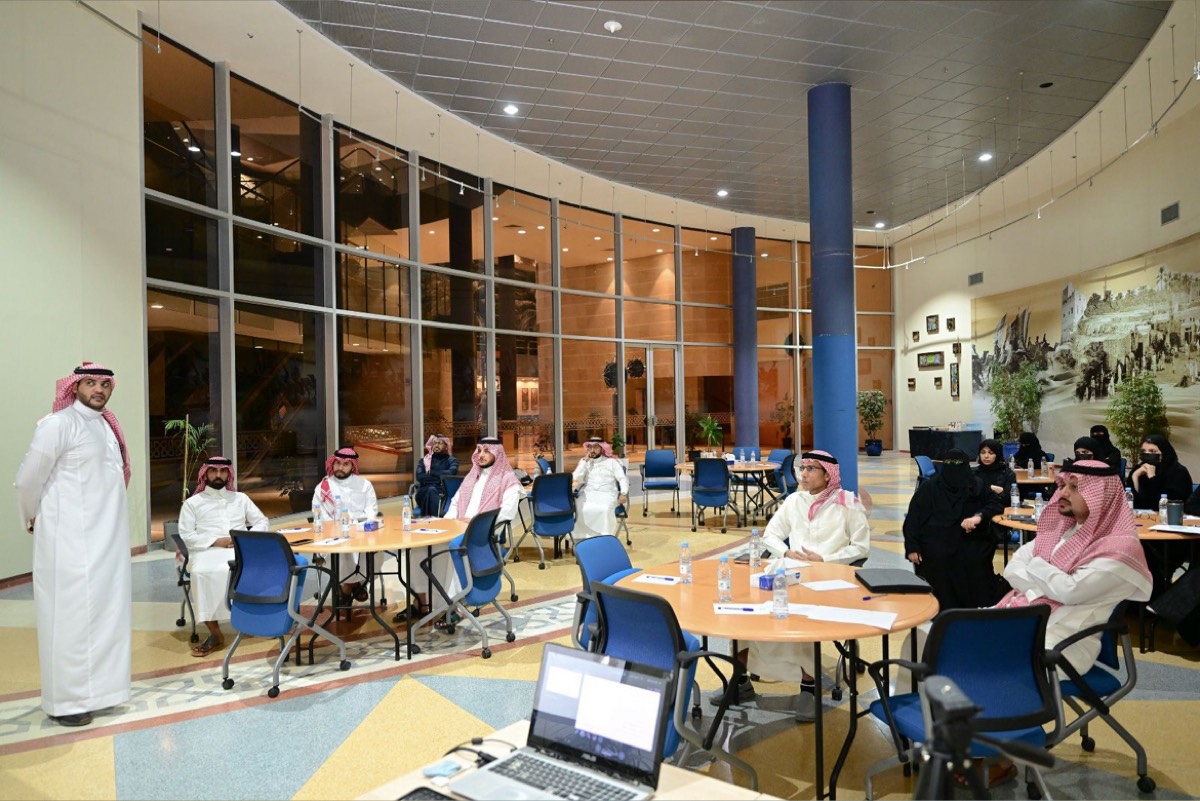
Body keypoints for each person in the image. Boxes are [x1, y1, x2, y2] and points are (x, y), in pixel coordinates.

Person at [15, 363, 133, 728]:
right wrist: (31, 516)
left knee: (106, 618)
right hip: (68, 542)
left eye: (104, 384)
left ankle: (102, 694)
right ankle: (66, 702)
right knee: (69, 622)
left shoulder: (106, 426)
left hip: (107, 543)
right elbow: (28, 479)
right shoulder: (58, 425)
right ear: (75, 386)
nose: (98, 389)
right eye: (90, 383)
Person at [735, 451, 870, 722]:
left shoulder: (847, 502)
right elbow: (771, 535)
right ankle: (740, 681)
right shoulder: (794, 501)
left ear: (828, 474)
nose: (804, 474)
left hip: (832, 576)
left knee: (804, 615)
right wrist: (786, 553)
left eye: (811, 469)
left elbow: (861, 547)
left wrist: (825, 560)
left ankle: (809, 687)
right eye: (802, 468)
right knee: (747, 610)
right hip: (793, 572)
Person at [999, 459, 1152, 674]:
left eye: (1075, 487)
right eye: (1062, 485)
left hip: (1062, 645)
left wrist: (1035, 564)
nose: (1062, 493)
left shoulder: (1119, 548)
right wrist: (1047, 585)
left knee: (973, 661)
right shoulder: (1064, 529)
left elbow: (1069, 592)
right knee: (957, 642)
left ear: (1101, 496)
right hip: (1028, 624)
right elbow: (1012, 569)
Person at [394, 436, 521, 623]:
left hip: (481, 536)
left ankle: (455, 607)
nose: (481, 455)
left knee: (453, 548)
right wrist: (445, 525)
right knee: (420, 549)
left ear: (498, 454)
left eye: (487, 451)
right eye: (479, 450)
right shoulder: (472, 476)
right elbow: (455, 503)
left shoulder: (509, 480)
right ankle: (421, 602)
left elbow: (506, 513)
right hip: (457, 528)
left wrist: (475, 523)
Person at [178, 456, 268, 657]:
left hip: (239, 547)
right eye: (213, 471)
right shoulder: (193, 503)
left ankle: (255, 621)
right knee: (202, 573)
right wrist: (216, 541)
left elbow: (262, 521)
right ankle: (215, 633)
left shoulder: (241, 499)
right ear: (205, 474)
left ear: (229, 474)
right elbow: (186, 535)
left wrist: (244, 538)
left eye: (222, 471)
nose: (218, 475)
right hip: (207, 550)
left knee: (260, 567)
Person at [904, 448, 1006, 611]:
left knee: (975, 558)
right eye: (950, 464)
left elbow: (995, 504)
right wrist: (912, 546)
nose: (955, 469)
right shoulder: (930, 488)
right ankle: (940, 610)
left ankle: (976, 610)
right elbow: (913, 518)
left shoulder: (976, 486)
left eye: (959, 464)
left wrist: (978, 517)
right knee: (939, 559)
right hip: (936, 540)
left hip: (969, 538)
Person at [314, 447, 380, 604]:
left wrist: (360, 525)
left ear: (352, 466)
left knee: (377, 549)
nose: (340, 467)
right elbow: (320, 514)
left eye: (345, 464)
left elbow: (372, 510)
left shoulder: (364, 485)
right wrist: (337, 527)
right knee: (343, 551)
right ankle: (354, 586)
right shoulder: (324, 487)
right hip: (333, 534)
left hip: (361, 532)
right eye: (337, 463)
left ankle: (349, 587)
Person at [572, 436, 629, 540]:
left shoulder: (612, 462)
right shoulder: (584, 462)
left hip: (608, 493)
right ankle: (580, 538)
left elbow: (622, 479)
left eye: (596, 447)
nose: (592, 450)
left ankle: (605, 538)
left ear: (602, 449)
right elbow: (575, 477)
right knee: (578, 508)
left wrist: (623, 493)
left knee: (604, 509)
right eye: (590, 447)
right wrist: (585, 462)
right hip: (588, 493)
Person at [1127, 434, 1192, 509]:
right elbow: (1130, 503)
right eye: (1144, 451)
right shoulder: (1139, 469)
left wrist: (1152, 478)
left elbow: (1169, 503)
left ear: (1164, 452)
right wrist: (1135, 477)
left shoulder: (1178, 472)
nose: (1147, 454)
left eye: (1152, 451)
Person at [413, 434, 457, 517]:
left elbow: (450, 474)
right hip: (423, 492)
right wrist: (439, 478)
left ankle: (427, 518)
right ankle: (436, 519)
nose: (437, 445)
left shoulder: (452, 461)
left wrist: (431, 472)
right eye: (435, 443)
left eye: (440, 443)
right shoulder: (424, 461)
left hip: (443, 493)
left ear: (446, 446)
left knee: (432, 490)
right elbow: (420, 476)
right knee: (431, 490)